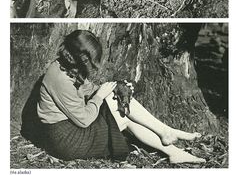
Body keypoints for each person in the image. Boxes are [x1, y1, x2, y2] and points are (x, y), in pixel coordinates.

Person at [37, 30, 206, 164]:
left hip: (71, 127)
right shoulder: (60, 79)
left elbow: (87, 88)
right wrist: (101, 96)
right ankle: (169, 138)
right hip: (67, 140)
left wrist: (116, 89)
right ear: (80, 57)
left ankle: (170, 141)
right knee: (122, 115)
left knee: (119, 102)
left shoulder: (66, 65)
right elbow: (84, 120)